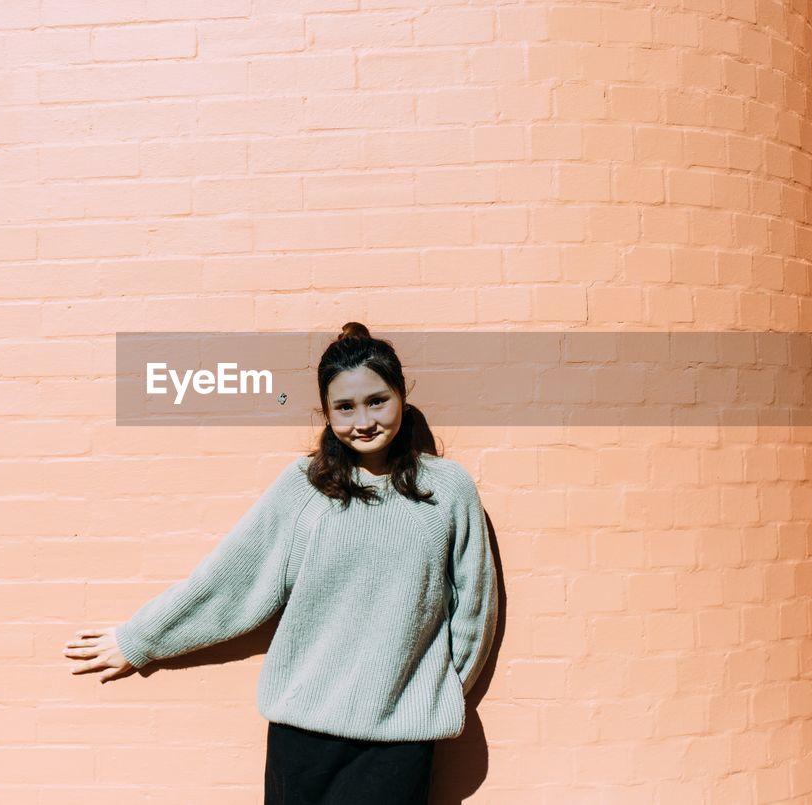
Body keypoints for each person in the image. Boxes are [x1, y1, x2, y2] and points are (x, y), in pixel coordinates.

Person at [64, 322, 499, 804]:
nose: (364, 420)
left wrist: (437, 691)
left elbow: (474, 606)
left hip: (399, 738)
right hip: (303, 732)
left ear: (402, 395)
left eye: (378, 400)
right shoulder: (305, 487)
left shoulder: (449, 489)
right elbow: (231, 579)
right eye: (345, 407)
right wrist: (140, 638)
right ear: (327, 412)